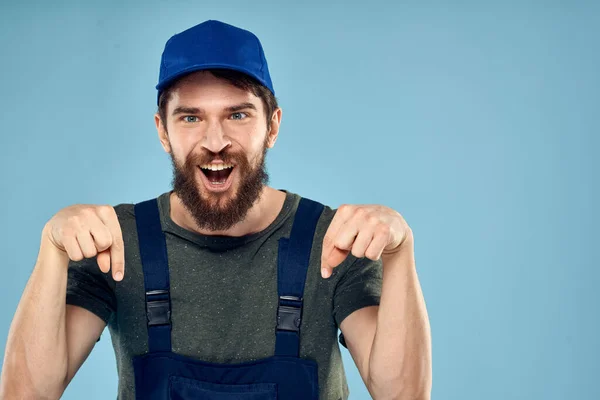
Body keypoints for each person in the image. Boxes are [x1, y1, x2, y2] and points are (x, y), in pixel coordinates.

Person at [0, 20, 431, 400]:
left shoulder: (332, 242)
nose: (215, 141)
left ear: (273, 126)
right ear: (162, 131)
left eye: (238, 115)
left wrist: (400, 251)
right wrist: (51, 251)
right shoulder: (117, 243)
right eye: (190, 118)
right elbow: (26, 394)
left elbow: (403, 396)